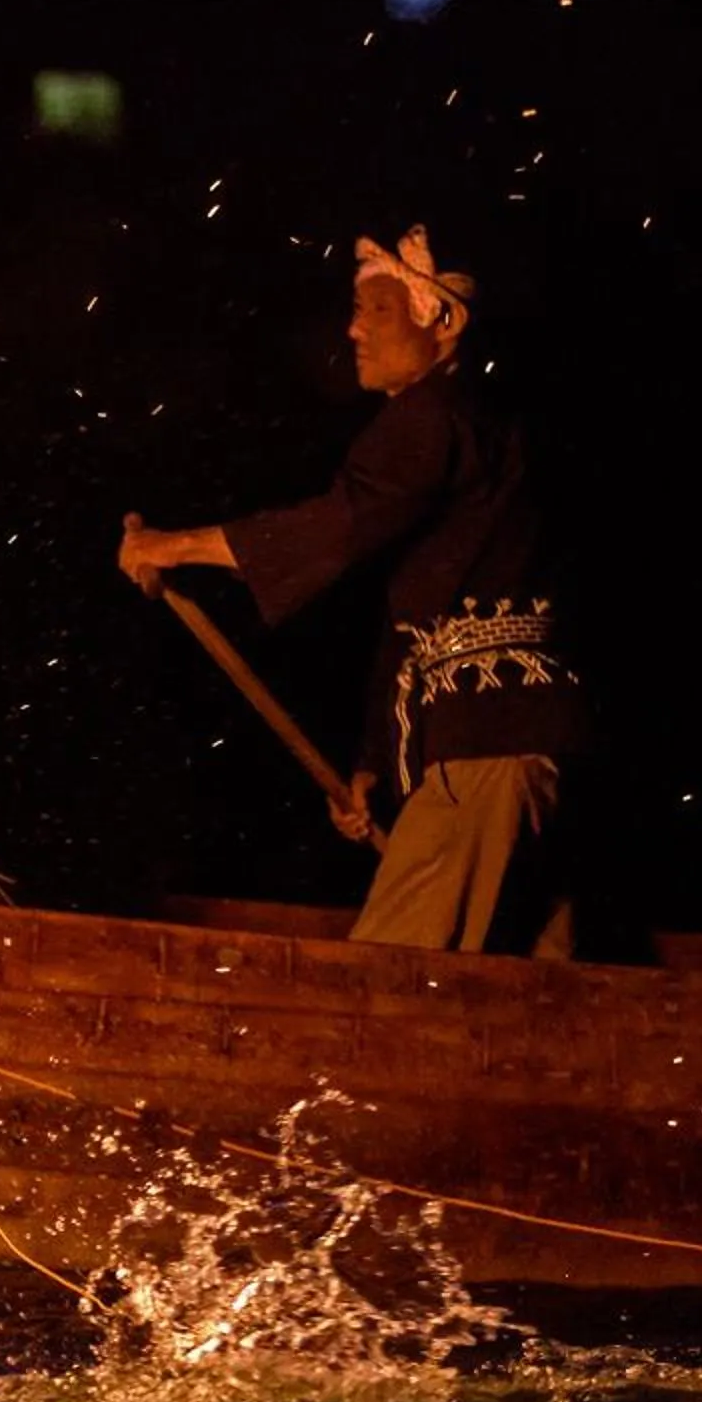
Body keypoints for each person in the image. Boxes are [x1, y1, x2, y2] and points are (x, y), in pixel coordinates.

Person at [118, 225, 587, 955]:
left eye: (379, 313)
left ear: (441, 325)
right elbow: (424, 609)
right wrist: (377, 760)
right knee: (532, 988)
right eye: (356, 310)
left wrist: (173, 546)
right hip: (517, 746)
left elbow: (336, 528)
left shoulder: (432, 418)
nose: (353, 329)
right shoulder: (470, 429)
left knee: (385, 978)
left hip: (488, 753)